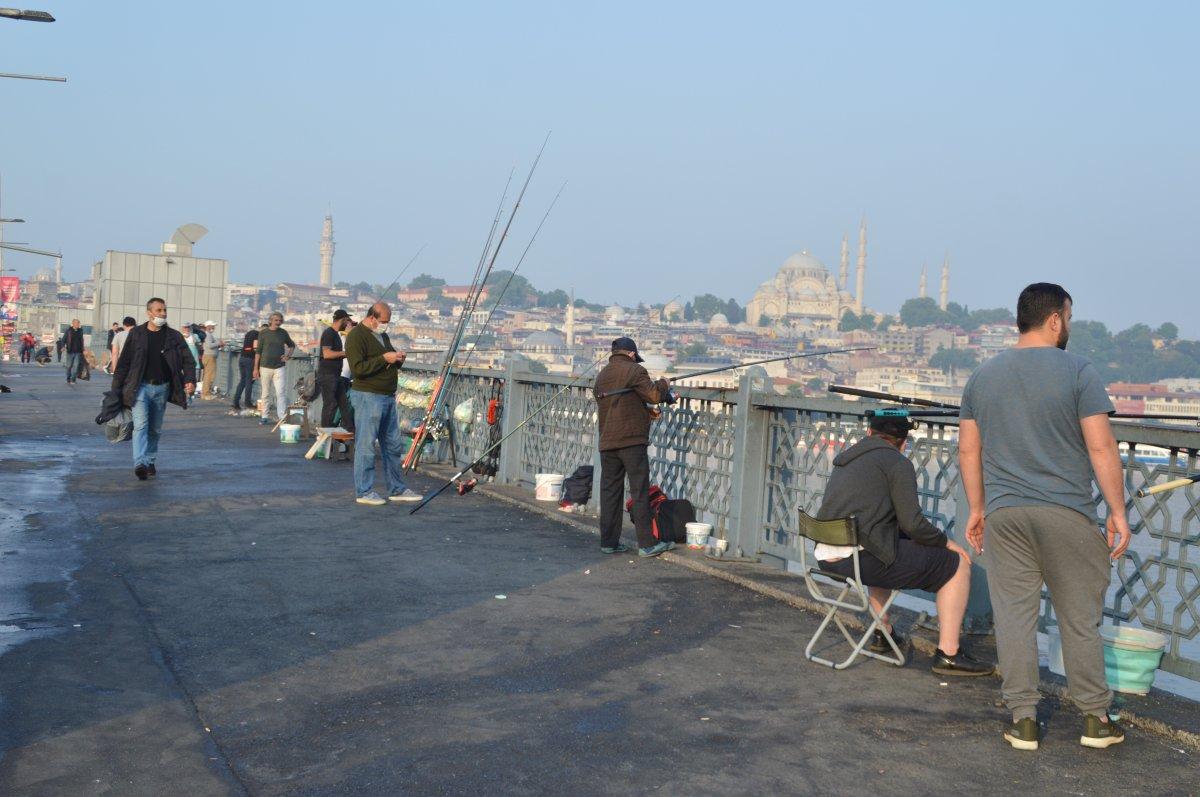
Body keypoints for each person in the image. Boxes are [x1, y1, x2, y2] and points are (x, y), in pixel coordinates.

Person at [958, 282, 1130, 752]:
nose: (1068, 326)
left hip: (1007, 515)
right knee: (1078, 619)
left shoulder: (983, 376)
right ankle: (1095, 719)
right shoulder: (1079, 370)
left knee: (1015, 618)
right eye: (1068, 318)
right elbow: (1100, 445)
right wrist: (1116, 511)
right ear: (1055, 319)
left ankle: (1024, 721)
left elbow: (969, 449)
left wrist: (978, 509)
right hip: (1067, 512)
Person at [815, 414, 993, 676]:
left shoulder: (846, 458)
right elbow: (913, 524)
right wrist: (947, 543)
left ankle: (882, 632)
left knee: (886, 546)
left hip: (826, 556)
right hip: (857, 558)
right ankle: (949, 654)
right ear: (903, 442)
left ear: (868, 433)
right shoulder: (897, 464)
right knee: (955, 566)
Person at [594, 336, 674, 558]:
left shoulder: (602, 375)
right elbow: (654, 394)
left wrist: (644, 411)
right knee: (639, 491)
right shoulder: (635, 370)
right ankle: (647, 544)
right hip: (631, 441)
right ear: (631, 354)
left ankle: (608, 542)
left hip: (608, 441)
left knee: (610, 492)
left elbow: (619, 403)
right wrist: (665, 383)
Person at [344, 301, 421, 506]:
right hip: (368, 396)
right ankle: (364, 491)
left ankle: (397, 488)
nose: (386, 325)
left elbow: (387, 359)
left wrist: (397, 358)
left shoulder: (383, 336)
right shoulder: (355, 336)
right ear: (372, 317)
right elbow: (358, 369)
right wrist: (384, 358)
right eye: (383, 321)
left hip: (387, 396)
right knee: (366, 445)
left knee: (392, 445)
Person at [111, 297, 196, 480]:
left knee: (154, 429)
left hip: (162, 388)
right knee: (140, 425)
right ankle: (139, 463)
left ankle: (149, 460)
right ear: (149, 313)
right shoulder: (137, 334)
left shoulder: (173, 336)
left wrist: (190, 380)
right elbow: (124, 362)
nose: (163, 313)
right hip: (140, 388)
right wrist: (115, 389)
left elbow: (188, 360)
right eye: (158, 310)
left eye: (164, 310)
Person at [253, 312, 295, 424]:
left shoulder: (283, 333)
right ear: (270, 320)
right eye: (276, 320)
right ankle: (264, 416)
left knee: (280, 392)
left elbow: (292, 345)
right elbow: (258, 351)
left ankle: (281, 416)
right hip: (265, 366)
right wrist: (255, 368)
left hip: (279, 367)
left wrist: (288, 356)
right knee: (265, 393)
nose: (278, 322)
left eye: (280, 320)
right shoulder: (263, 333)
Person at [318, 309, 355, 431]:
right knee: (330, 405)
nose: (347, 324)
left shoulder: (336, 334)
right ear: (343, 320)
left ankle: (349, 432)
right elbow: (327, 354)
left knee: (344, 405)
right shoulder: (329, 333)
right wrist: (346, 353)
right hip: (328, 375)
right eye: (347, 321)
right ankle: (325, 434)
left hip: (336, 375)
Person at [232, 323, 263, 412]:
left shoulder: (249, 333)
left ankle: (235, 402)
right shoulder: (257, 335)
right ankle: (248, 403)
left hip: (242, 358)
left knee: (242, 381)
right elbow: (255, 348)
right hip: (250, 359)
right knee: (249, 381)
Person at [200, 320, 221, 399]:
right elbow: (209, 345)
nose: (214, 327)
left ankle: (204, 393)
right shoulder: (208, 335)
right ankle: (206, 394)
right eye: (213, 326)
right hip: (210, 357)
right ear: (208, 326)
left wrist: (217, 345)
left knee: (207, 376)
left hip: (208, 356)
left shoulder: (207, 334)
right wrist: (219, 343)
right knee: (210, 376)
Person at [62, 319, 85, 385]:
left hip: (78, 352)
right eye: (77, 323)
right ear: (73, 323)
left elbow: (82, 340)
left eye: (78, 323)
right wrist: (63, 346)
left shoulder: (80, 331)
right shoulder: (68, 331)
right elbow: (63, 339)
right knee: (69, 366)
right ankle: (68, 378)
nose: (78, 324)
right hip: (70, 352)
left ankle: (73, 379)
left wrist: (83, 348)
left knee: (76, 366)